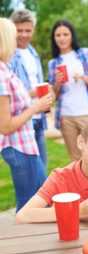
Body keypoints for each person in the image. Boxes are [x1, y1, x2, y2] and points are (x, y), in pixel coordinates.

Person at [0, 18, 53, 211]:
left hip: (26, 146)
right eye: (14, 37)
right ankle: (24, 241)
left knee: (42, 199)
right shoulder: (1, 74)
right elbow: (5, 126)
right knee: (29, 206)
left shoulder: (4, 68)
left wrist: (39, 95)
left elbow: (16, 100)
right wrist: (36, 107)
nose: (17, 41)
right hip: (18, 148)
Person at [48, 20, 88, 161]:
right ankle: (82, 184)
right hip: (66, 117)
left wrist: (84, 78)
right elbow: (53, 96)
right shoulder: (53, 63)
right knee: (75, 159)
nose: (62, 38)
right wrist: (57, 83)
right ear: (54, 39)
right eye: (58, 35)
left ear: (72, 35)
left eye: (65, 34)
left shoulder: (86, 54)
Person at [10, 9, 48, 168]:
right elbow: (7, 94)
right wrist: (32, 93)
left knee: (42, 169)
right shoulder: (9, 54)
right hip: (23, 120)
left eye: (28, 30)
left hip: (39, 118)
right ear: (12, 30)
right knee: (30, 173)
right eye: (20, 31)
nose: (24, 35)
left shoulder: (33, 53)